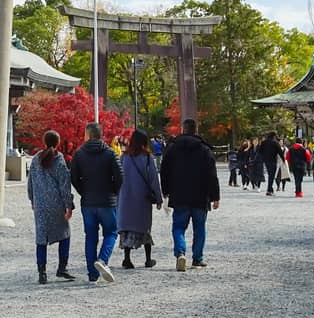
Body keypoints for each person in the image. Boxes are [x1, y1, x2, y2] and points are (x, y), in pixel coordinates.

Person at [160, 118, 221, 270]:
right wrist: (215, 196)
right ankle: (197, 258)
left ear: (183, 129)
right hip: (201, 195)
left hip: (179, 194)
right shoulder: (204, 149)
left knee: (179, 227)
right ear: (196, 130)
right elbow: (212, 174)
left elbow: (164, 171)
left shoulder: (173, 148)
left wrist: (165, 190)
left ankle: (180, 252)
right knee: (199, 228)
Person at [70, 122, 124, 284]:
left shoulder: (79, 154)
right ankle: (103, 259)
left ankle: (92, 274)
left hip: (88, 202)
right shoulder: (110, 153)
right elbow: (120, 176)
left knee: (91, 237)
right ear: (101, 135)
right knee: (111, 232)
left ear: (88, 135)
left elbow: (73, 178)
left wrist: (83, 192)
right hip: (107, 201)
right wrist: (113, 192)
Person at [26, 130, 75, 284]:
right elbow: (64, 185)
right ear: (58, 142)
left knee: (41, 238)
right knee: (64, 235)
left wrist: (32, 199)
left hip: (40, 204)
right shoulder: (58, 159)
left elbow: (30, 183)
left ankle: (42, 272)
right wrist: (69, 205)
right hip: (56, 204)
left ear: (44, 142)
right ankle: (62, 268)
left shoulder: (35, 159)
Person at [117, 130, 161, 269]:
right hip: (142, 198)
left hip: (125, 197)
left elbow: (118, 177)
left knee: (127, 228)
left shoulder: (124, 157)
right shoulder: (147, 158)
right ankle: (148, 259)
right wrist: (158, 197)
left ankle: (127, 259)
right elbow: (153, 179)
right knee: (144, 228)